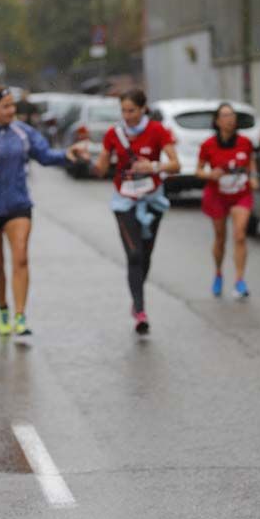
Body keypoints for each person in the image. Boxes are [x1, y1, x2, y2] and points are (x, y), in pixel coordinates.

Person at [0, 86, 89, 339]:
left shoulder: (23, 132)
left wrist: (68, 155)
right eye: (6, 106)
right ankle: (3, 309)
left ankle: (20, 317)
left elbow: (45, 155)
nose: (12, 111)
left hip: (18, 204)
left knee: (21, 257)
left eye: (13, 105)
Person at [87, 88, 180, 334]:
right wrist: (88, 160)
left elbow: (176, 164)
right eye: (123, 111)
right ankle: (140, 310)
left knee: (146, 257)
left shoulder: (158, 131)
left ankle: (136, 298)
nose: (127, 116)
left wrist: (153, 166)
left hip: (152, 201)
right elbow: (101, 168)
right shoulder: (114, 134)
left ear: (143, 109)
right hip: (124, 202)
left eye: (132, 111)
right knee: (135, 254)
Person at [195, 103, 259, 299]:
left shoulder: (245, 142)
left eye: (232, 115)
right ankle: (218, 273)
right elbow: (198, 170)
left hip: (241, 193)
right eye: (224, 115)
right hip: (217, 196)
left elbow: (251, 162)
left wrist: (254, 177)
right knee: (220, 238)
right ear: (217, 121)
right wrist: (210, 175)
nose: (230, 119)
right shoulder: (208, 145)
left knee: (239, 235)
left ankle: (239, 280)